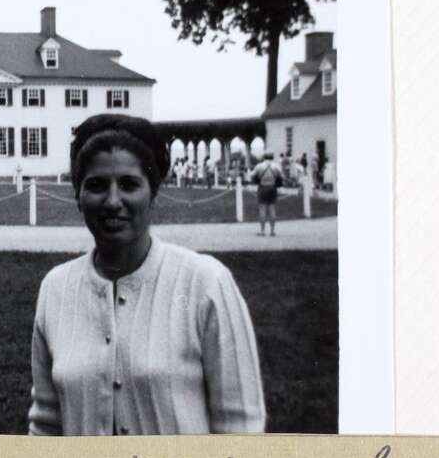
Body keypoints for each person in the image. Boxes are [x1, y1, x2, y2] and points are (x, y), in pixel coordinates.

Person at [28, 114, 265, 436]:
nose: (113, 201)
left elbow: (241, 429)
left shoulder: (205, 283)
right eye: (96, 185)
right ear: (77, 196)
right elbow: (46, 424)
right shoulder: (56, 288)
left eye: (129, 184)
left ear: (153, 193)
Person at [250, 151, 282, 237]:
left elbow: (252, 175)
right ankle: (272, 231)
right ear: (272, 157)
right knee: (272, 209)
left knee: (262, 209)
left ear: (264, 157)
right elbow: (281, 176)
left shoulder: (259, 166)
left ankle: (262, 231)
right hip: (272, 187)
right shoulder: (276, 166)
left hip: (262, 187)